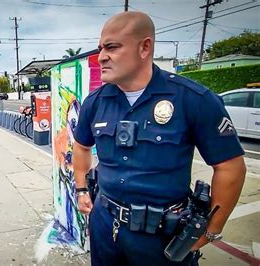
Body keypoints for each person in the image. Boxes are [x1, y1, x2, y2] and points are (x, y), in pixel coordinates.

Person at [73, 11, 246, 266]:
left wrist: (211, 229)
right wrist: (81, 189)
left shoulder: (193, 99)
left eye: (112, 47)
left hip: (162, 236)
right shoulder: (95, 102)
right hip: (104, 225)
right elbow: (81, 146)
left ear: (145, 47)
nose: (101, 57)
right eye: (100, 48)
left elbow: (230, 167)